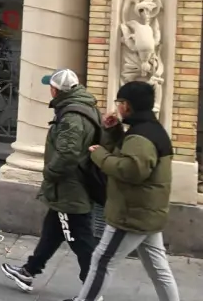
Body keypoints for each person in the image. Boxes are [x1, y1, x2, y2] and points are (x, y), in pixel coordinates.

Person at [70, 81, 180, 301]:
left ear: (127, 105)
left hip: (131, 214)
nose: (117, 107)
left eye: (119, 102)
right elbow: (125, 153)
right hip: (147, 211)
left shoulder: (140, 137)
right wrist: (113, 130)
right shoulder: (150, 130)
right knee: (159, 269)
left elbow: (130, 170)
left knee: (102, 261)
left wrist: (99, 155)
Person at [1, 69, 100, 293]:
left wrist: (51, 173)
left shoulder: (72, 117)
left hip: (70, 187)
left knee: (80, 240)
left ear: (56, 90)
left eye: (51, 86)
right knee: (52, 231)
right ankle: (28, 271)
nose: (49, 89)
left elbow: (68, 153)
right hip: (71, 186)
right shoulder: (84, 106)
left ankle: (93, 289)